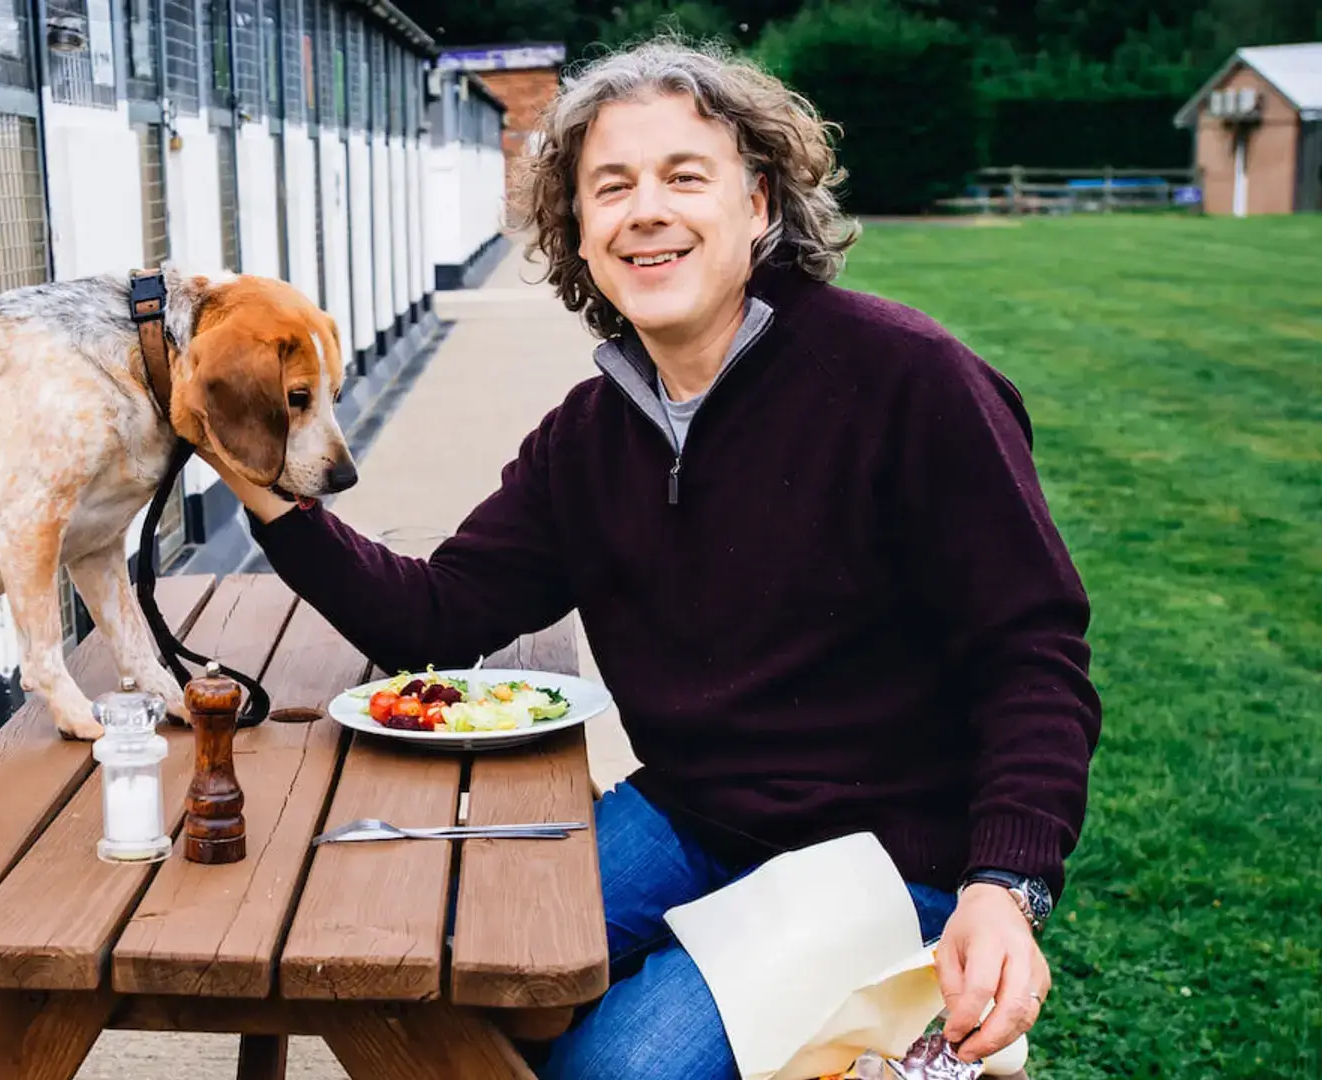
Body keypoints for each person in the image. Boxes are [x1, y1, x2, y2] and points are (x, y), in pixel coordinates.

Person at [201, 37, 1101, 1080]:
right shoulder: (588, 437)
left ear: (758, 204)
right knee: (444, 969)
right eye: (612, 186)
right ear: (579, 232)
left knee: (611, 1071)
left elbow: (1032, 655)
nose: (646, 211)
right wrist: (258, 483)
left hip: (891, 859)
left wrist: (1006, 884)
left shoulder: (913, 382)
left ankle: (868, 1033)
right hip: (692, 816)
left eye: (684, 177)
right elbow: (436, 617)